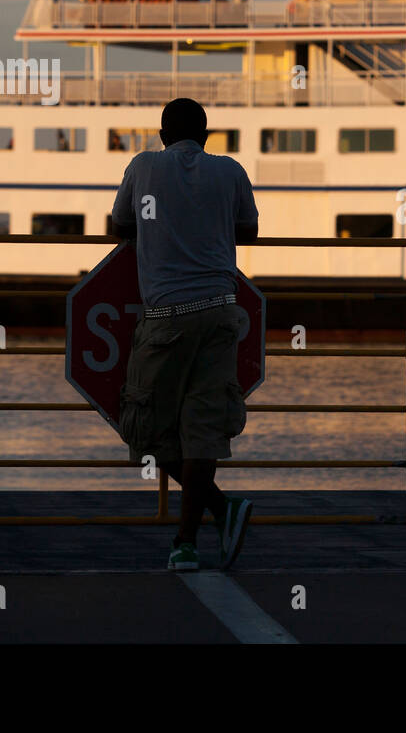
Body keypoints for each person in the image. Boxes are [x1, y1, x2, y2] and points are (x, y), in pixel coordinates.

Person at [111, 97, 260, 571]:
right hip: (221, 310)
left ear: (161, 134)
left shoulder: (144, 166)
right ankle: (187, 543)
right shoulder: (230, 170)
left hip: (167, 315)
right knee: (202, 434)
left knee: (142, 427)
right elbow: (250, 232)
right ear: (207, 135)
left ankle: (219, 511)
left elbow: (121, 224)